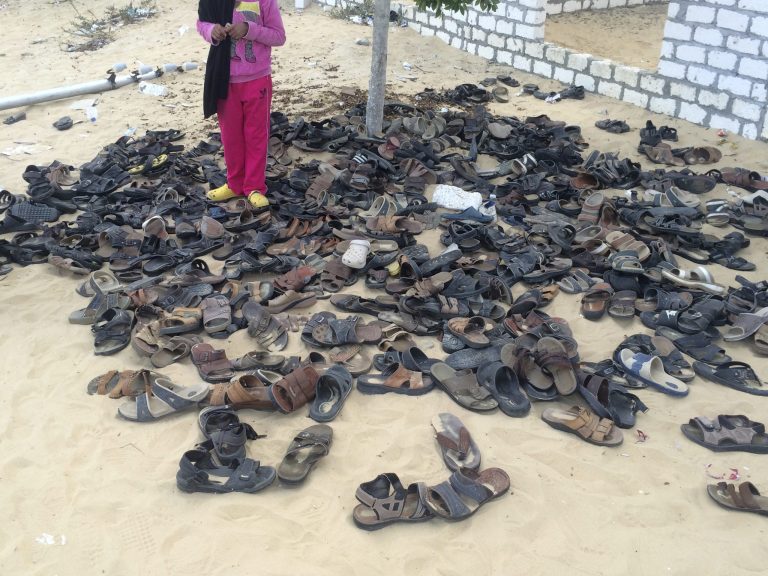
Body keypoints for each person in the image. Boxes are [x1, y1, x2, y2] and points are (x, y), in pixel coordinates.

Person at [197, 0, 286, 209]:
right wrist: (211, 31)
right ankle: (235, 184)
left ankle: (254, 187)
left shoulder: (265, 2)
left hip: (257, 80)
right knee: (231, 137)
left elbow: (279, 36)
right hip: (224, 81)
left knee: (256, 135)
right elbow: (201, 23)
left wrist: (248, 29)